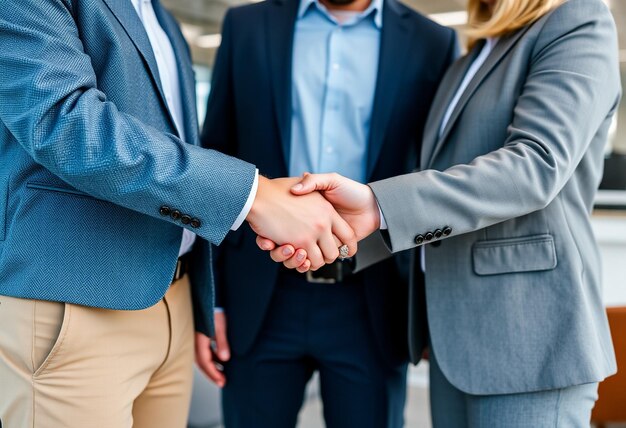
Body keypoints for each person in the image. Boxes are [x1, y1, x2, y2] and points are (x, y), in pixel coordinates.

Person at [0, 1, 356, 427]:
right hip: (79, 299)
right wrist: (255, 196)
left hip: (174, 297)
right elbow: (64, 123)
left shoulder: (162, 18)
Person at [265, 0, 621, 425]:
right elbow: (438, 188)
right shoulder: (471, 54)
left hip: (529, 337)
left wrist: (379, 206)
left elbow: (536, 165)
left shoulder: (576, 17)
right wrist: (334, 236)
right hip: (457, 336)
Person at [194, 0, 457, 426]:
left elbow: (435, 177)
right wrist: (213, 302)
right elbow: (217, 154)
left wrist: (427, 310)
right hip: (257, 295)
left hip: (374, 299)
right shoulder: (247, 25)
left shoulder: (433, 41)